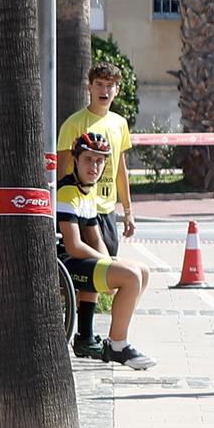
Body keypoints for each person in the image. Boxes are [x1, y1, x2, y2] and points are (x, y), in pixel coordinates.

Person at [57, 127, 156, 370]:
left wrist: (109, 261)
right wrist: (109, 264)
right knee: (130, 276)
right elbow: (74, 245)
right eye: (88, 160)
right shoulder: (67, 191)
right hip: (63, 263)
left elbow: (95, 238)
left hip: (78, 259)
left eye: (99, 161)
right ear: (76, 160)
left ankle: (87, 338)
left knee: (142, 271)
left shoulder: (87, 191)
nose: (94, 167)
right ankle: (117, 345)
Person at [58, 62, 136, 357]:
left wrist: (127, 209)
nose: (104, 91)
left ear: (117, 90)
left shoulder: (119, 124)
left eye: (110, 86)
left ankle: (91, 335)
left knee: (103, 271)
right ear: (89, 88)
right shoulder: (75, 123)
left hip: (104, 208)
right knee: (91, 271)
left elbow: (121, 169)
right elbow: (63, 166)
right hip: (78, 205)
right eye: (99, 85)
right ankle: (88, 334)